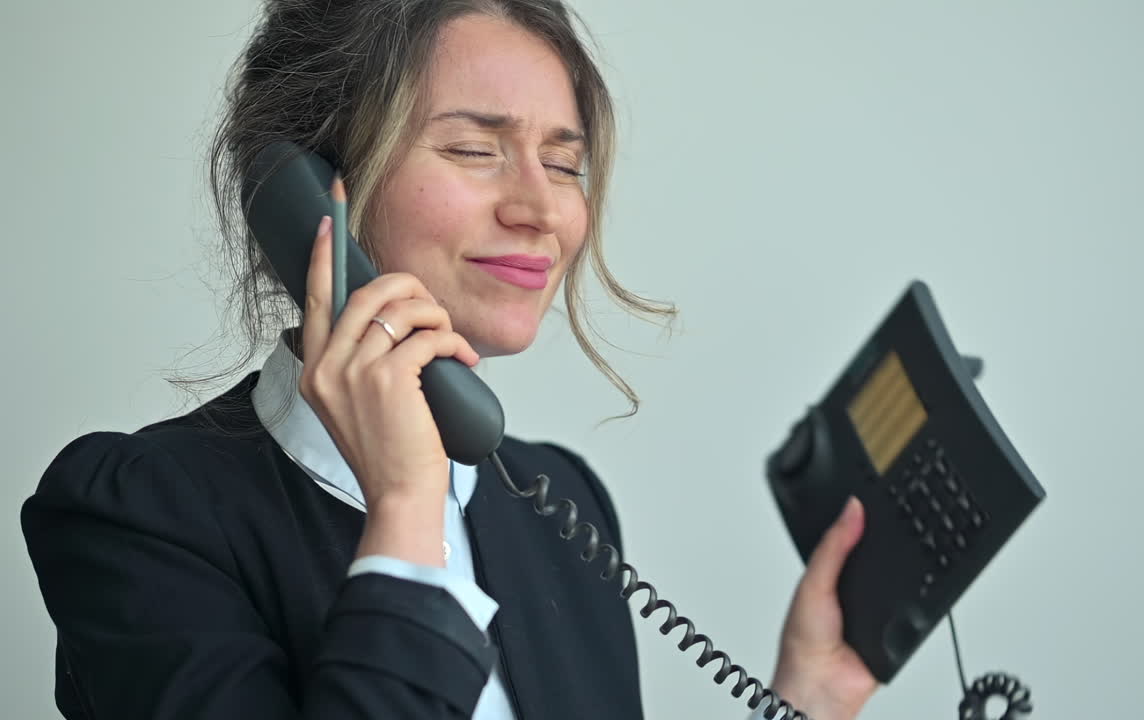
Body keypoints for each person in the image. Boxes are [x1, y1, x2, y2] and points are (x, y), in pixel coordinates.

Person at [21, 1, 878, 718]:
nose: (540, 209)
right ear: (310, 187)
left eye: (564, 162)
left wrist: (800, 702)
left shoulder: (565, 504)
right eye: (475, 149)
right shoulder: (137, 514)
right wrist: (404, 510)